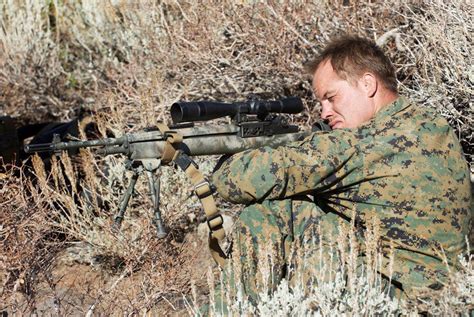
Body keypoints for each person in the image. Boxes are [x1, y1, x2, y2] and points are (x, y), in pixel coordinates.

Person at [211, 35, 472, 302]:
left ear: (368, 84)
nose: (324, 113)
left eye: (331, 98)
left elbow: (234, 182)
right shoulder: (429, 124)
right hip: (452, 293)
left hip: (404, 300)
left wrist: (231, 157)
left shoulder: (362, 144)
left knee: (270, 213)